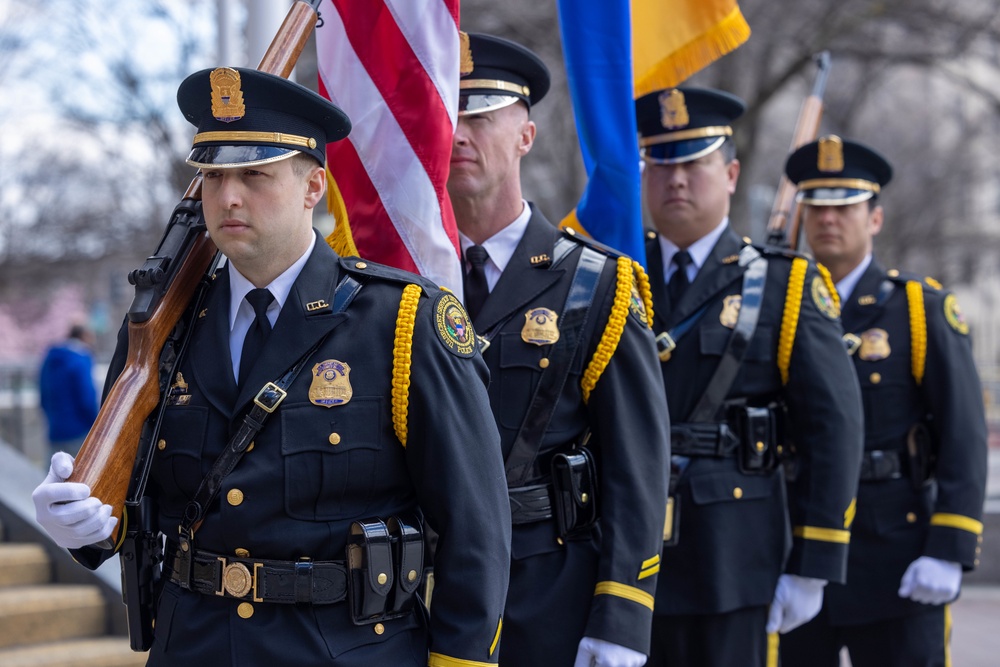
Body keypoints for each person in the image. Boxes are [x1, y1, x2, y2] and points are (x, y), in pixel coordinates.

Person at [31, 66, 511, 667]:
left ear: (312, 188)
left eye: (254, 174)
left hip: (344, 651)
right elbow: (134, 502)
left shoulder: (402, 321)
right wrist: (84, 525)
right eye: (213, 175)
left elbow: (475, 527)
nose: (229, 197)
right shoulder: (162, 330)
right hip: (194, 647)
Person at [448, 33, 670, 667]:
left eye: (481, 114)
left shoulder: (596, 282)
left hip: (549, 587)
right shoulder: (404, 281)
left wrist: (622, 615)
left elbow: (638, 464)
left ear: (525, 136)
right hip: (425, 593)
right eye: (448, 114)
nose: (461, 133)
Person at [636, 87, 865, 667]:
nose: (676, 181)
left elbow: (834, 428)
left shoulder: (785, 286)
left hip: (736, 556)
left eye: (693, 163)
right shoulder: (618, 278)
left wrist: (815, 564)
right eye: (660, 165)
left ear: (732, 173)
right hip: (627, 557)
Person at [779, 136, 988, 666]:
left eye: (845, 206)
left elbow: (963, 433)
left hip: (897, 552)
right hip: (796, 547)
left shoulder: (916, 309)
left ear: (875, 218)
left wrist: (950, 547)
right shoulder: (776, 309)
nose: (829, 220)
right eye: (817, 206)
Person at [38, 323, 99, 458]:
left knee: (55, 474)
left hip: (55, 431)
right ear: (84, 336)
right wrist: (96, 426)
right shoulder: (80, 359)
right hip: (78, 431)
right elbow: (87, 399)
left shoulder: (50, 358)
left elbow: (42, 395)